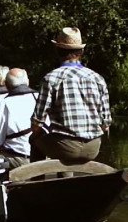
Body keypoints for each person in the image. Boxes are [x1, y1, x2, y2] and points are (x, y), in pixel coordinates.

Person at [31, 27, 111, 163]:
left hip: (65, 146)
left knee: (35, 139)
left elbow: (37, 122)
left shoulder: (51, 78)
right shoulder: (97, 78)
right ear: (81, 52)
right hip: (93, 148)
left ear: (57, 51)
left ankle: (36, 180)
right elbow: (106, 123)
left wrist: (39, 132)